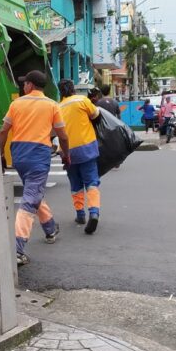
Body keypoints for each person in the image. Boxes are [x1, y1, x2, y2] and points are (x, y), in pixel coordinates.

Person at [0, 70, 68, 267]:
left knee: (33, 191)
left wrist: (1, 154)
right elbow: (62, 135)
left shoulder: (16, 104)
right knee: (30, 200)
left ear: (30, 85)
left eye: (24, 83)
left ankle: (50, 228)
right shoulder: (52, 105)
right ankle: (17, 250)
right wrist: (67, 154)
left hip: (19, 155)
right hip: (38, 155)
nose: (23, 86)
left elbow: (3, 131)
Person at [57, 79, 102, 235]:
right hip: (87, 148)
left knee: (75, 184)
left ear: (60, 92)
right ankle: (94, 212)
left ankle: (80, 215)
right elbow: (96, 115)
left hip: (67, 151)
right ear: (73, 90)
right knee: (91, 182)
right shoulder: (82, 100)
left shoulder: (57, 107)